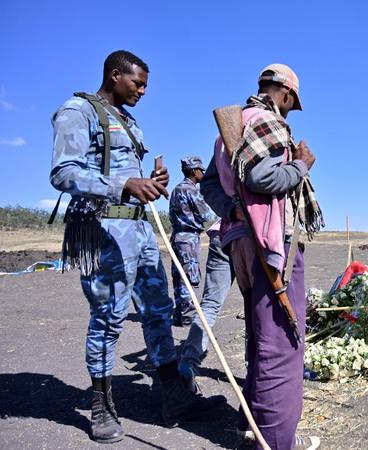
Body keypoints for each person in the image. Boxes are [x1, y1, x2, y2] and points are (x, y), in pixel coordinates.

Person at [50, 50, 225, 444]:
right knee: (108, 317)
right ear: (114, 76)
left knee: (158, 311)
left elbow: (127, 176)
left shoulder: (127, 121)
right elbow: (63, 172)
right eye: (137, 83)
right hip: (103, 230)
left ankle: (174, 399)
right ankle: (101, 407)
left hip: (141, 230)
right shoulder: (78, 111)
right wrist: (124, 186)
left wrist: (150, 180)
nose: (143, 91)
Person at [205, 63, 323, 449]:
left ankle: (257, 423)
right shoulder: (268, 121)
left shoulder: (233, 126)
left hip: (242, 243)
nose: (291, 110)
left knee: (260, 336)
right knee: (283, 344)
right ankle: (273, 441)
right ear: (285, 94)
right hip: (272, 246)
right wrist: (301, 165)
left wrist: (233, 209)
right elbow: (263, 179)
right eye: (292, 103)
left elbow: (210, 185)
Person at [178, 218, 236, 387]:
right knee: (254, 304)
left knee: (210, 304)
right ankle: (255, 367)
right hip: (247, 235)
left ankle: (188, 361)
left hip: (222, 231)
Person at [169, 156, 216, 326]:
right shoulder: (191, 190)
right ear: (193, 171)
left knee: (179, 275)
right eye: (201, 170)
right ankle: (188, 316)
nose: (203, 172)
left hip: (177, 237)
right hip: (189, 238)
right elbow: (206, 215)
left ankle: (180, 314)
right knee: (190, 276)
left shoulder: (176, 189)